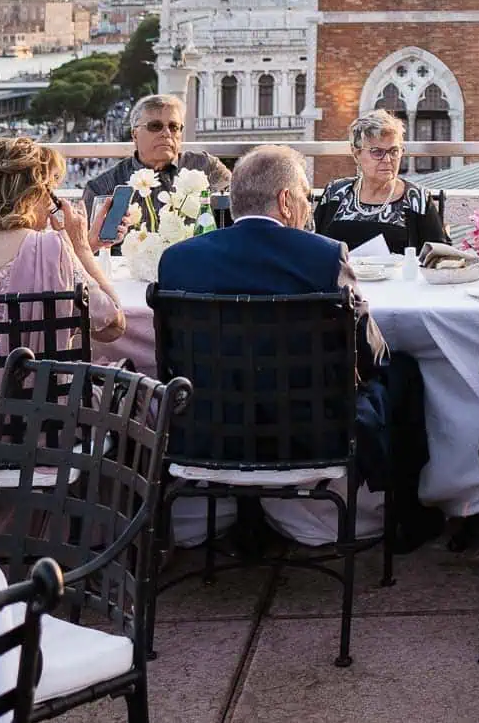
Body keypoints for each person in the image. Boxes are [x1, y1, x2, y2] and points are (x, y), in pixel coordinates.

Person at [158, 147, 418, 508]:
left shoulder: (177, 260)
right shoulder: (324, 256)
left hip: (209, 433)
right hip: (309, 436)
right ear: (285, 200)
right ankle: (406, 516)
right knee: (404, 370)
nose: (308, 209)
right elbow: (370, 354)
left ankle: (245, 518)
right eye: (305, 198)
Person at [0, 135, 127, 351]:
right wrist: (81, 248)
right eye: (50, 190)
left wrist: (72, 248)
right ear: (32, 193)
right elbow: (113, 325)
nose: (51, 201)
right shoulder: (49, 248)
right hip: (28, 384)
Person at [82, 94, 230, 250]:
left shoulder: (206, 168)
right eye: (155, 126)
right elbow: (83, 251)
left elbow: (241, 215)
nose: (166, 133)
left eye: (174, 127)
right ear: (134, 134)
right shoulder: (102, 188)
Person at [313, 109, 449, 255]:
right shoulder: (335, 193)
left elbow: (438, 257)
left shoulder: (416, 198)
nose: (387, 160)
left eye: (394, 151)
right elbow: (314, 246)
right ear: (356, 153)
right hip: (339, 277)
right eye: (377, 152)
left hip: (398, 278)